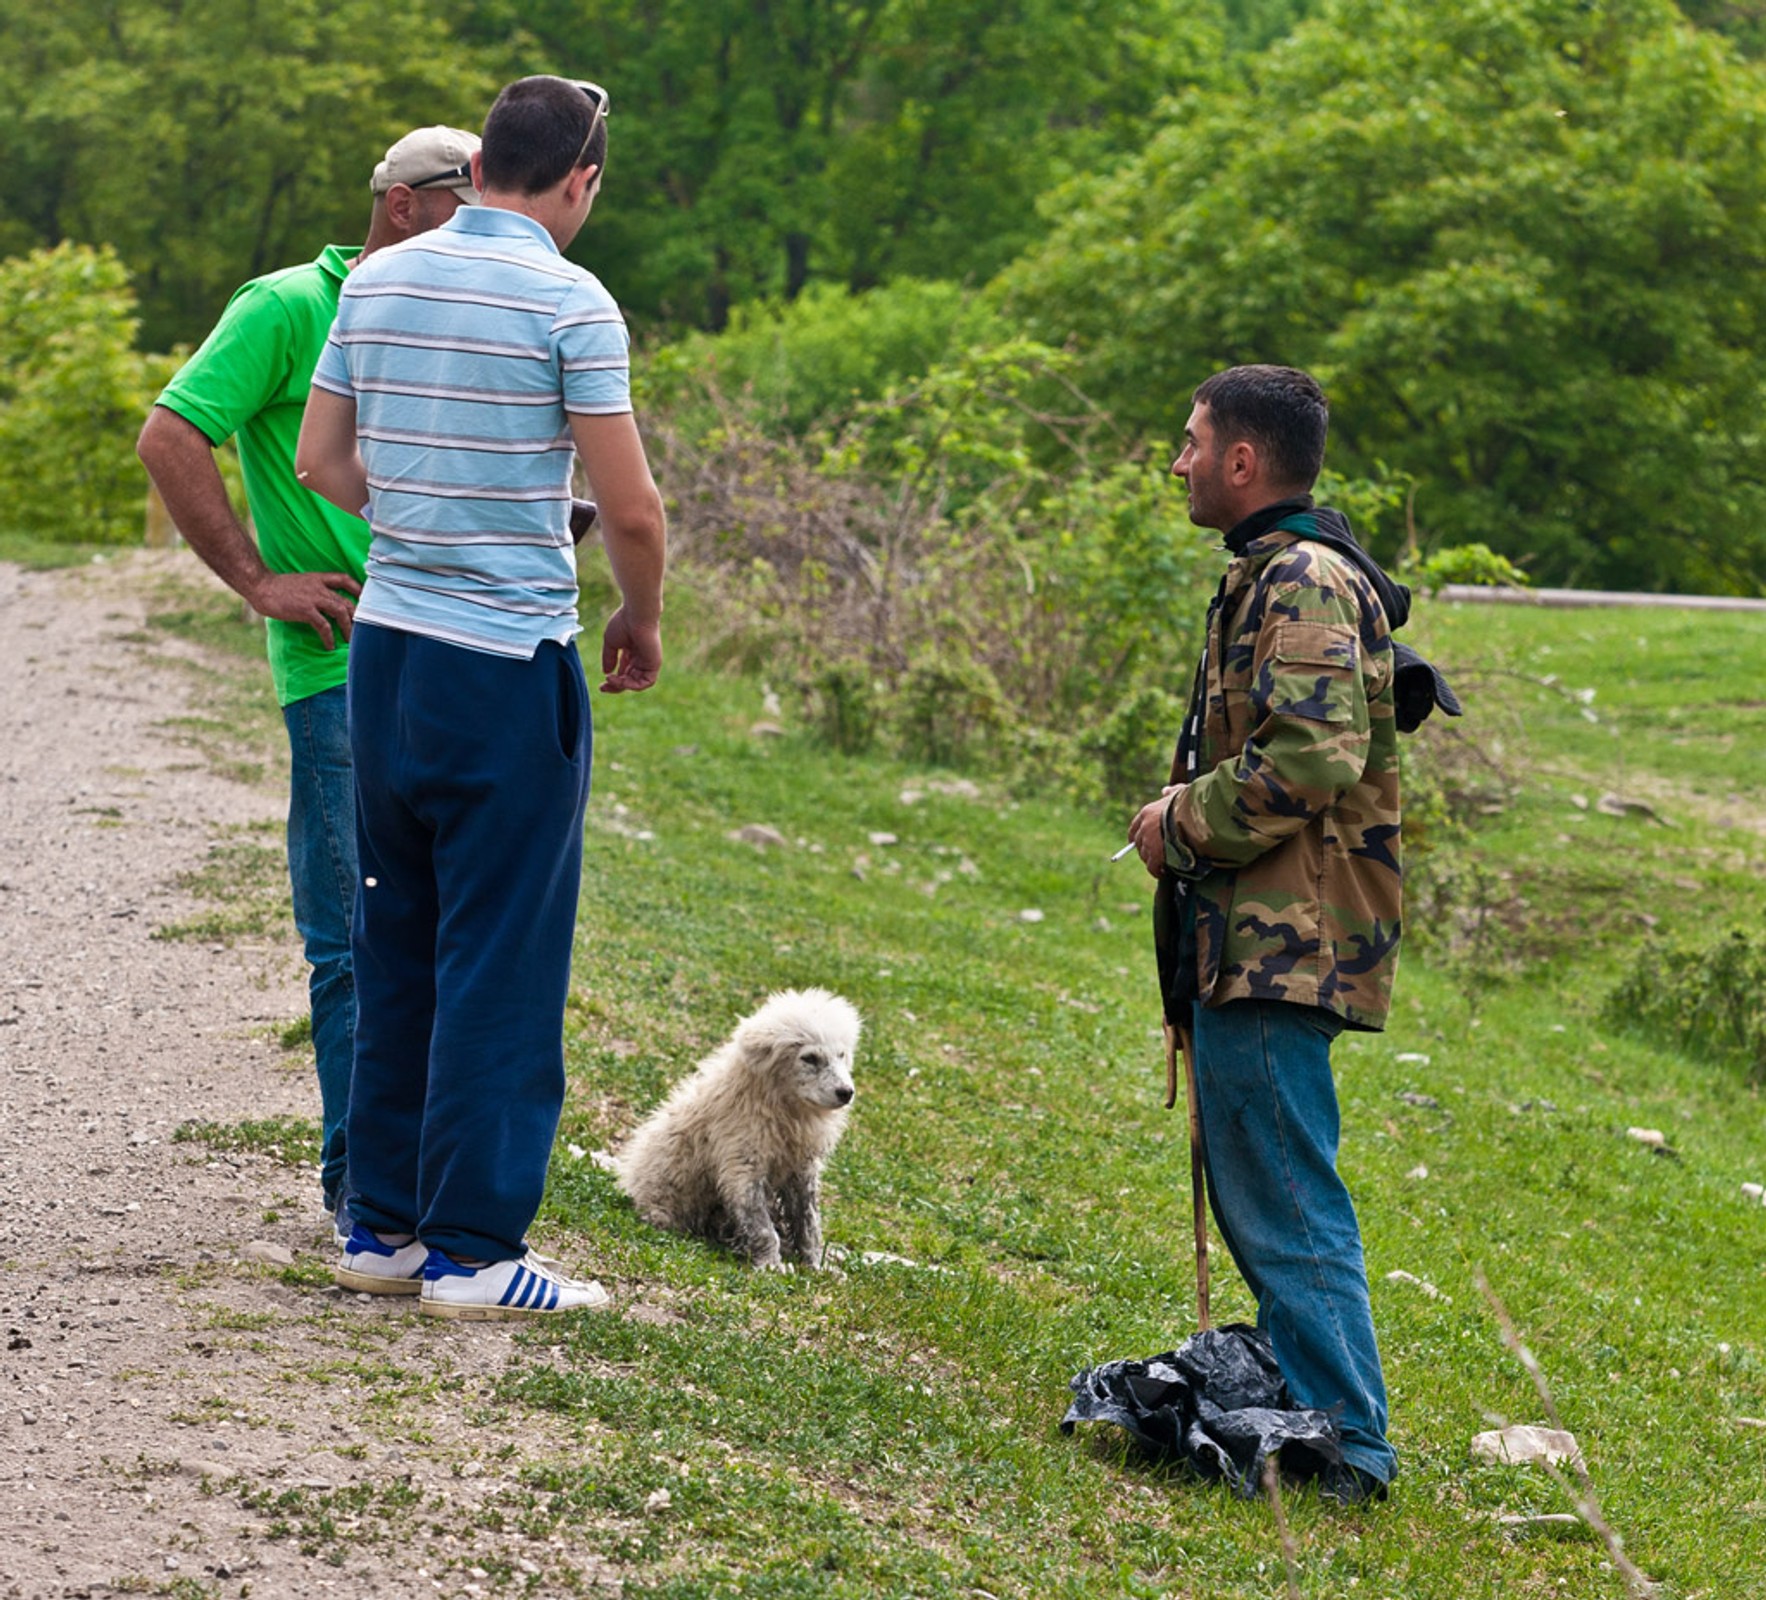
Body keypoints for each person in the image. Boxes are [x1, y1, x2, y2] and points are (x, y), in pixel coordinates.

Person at [295, 75, 668, 1319]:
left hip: (388, 654)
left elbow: (324, 463)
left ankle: (381, 1229)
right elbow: (629, 508)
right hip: (505, 664)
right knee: (501, 955)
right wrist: (639, 613)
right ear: (580, 179)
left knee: (396, 935)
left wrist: (424, 525)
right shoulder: (572, 300)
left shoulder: (376, 279)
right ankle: (473, 1249)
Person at [136, 127, 484, 1243]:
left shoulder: (449, 306)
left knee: (447, 934)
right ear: (404, 203)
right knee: (356, 933)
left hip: (457, 652)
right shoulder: (289, 305)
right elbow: (171, 434)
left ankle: (426, 1177)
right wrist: (256, 580)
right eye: (468, 205)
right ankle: (363, 1195)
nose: (486, 230)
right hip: (338, 667)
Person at [1126, 363, 1401, 1503]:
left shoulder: (1299, 577)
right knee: (1264, 1191)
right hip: (1249, 936)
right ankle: (1303, 1402)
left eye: (1191, 442)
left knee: (1289, 1198)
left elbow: (1314, 753)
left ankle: (1351, 1447)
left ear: (1243, 460)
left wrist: (1176, 821)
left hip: (1286, 943)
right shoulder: (1265, 571)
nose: (1179, 459)